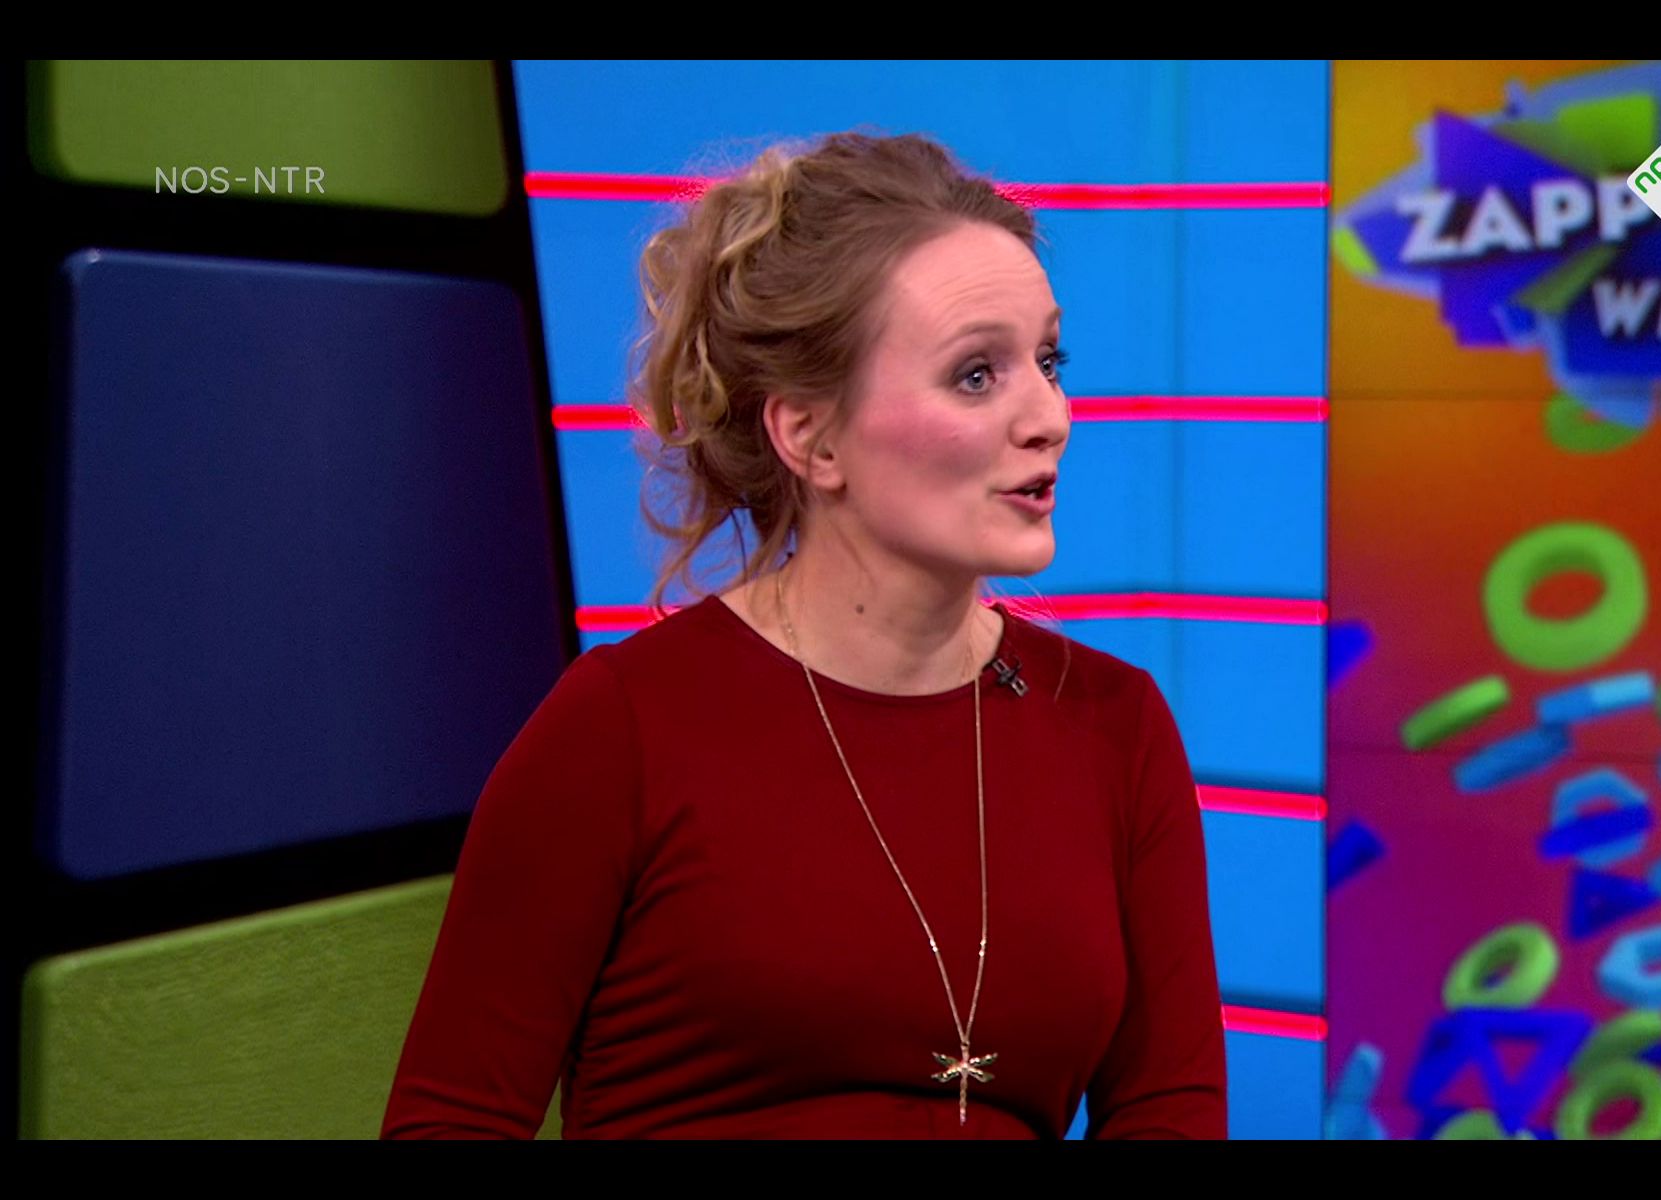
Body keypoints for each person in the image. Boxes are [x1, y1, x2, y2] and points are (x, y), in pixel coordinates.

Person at [381, 130, 1227, 1140]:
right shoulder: (622, 728)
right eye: (976, 375)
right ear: (810, 437)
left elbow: (1169, 1109)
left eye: (1048, 361)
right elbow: (451, 1118)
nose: (1049, 415)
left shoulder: (1114, 725)